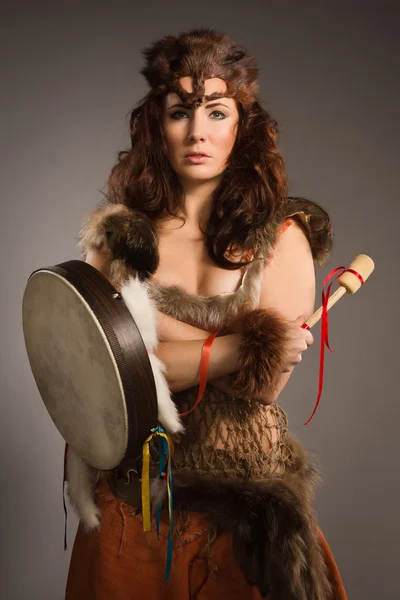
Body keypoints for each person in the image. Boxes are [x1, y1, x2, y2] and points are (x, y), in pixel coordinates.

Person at [65, 28, 347, 600]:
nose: (197, 132)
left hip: (249, 514)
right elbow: (101, 377)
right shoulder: (115, 241)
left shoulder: (282, 239)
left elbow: (263, 387)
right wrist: (231, 349)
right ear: (156, 125)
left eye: (216, 112)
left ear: (242, 125)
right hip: (136, 504)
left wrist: (152, 352)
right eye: (179, 113)